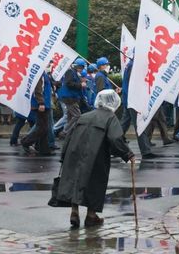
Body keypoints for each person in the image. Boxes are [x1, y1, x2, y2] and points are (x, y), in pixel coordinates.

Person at [55, 89, 135, 228]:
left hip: (74, 152)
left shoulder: (84, 116)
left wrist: (63, 156)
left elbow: (69, 136)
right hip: (96, 155)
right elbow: (115, 138)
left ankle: (74, 212)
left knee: (75, 180)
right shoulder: (110, 118)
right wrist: (128, 154)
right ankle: (91, 216)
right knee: (95, 184)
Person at [21, 71, 52, 155]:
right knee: (42, 128)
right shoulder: (39, 74)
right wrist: (41, 103)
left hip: (44, 103)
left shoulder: (42, 73)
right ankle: (26, 142)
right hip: (41, 104)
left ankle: (44, 150)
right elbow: (38, 89)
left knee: (43, 128)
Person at [58, 58, 87, 138]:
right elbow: (69, 83)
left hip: (70, 97)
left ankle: (68, 134)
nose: (82, 69)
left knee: (70, 116)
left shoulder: (73, 72)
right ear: (79, 66)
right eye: (81, 67)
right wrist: (80, 85)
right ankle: (65, 132)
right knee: (77, 115)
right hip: (70, 97)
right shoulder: (71, 72)